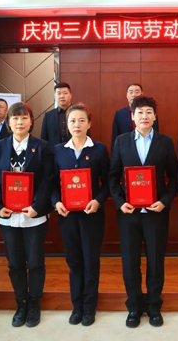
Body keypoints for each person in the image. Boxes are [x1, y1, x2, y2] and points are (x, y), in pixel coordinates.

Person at [108, 95, 178, 328]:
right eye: (140, 112)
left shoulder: (165, 142)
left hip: (156, 213)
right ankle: (134, 307)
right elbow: (112, 176)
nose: (144, 116)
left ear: (155, 116)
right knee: (130, 262)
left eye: (149, 112)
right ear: (132, 116)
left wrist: (165, 201)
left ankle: (154, 306)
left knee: (155, 261)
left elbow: (175, 177)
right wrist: (120, 202)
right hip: (129, 214)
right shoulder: (121, 141)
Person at [0, 102, 54, 328]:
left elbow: (48, 179)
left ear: (31, 121)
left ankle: (34, 303)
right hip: (7, 217)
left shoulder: (42, 146)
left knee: (35, 263)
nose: (20, 122)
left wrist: (37, 206)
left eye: (24, 117)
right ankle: (21, 303)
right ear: (8, 122)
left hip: (34, 216)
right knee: (15, 263)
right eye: (15, 118)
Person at [52, 103, 110, 327]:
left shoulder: (99, 149)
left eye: (81, 120)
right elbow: (51, 183)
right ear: (67, 124)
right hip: (67, 216)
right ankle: (76, 306)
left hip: (91, 215)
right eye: (72, 121)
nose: (77, 125)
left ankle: (89, 307)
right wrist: (56, 202)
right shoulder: (58, 150)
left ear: (89, 124)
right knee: (74, 261)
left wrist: (98, 200)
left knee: (91, 261)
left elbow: (108, 182)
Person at [111, 83, 159, 149]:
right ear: (127, 95)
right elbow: (115, 135)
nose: (133, 95)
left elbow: (156, 133)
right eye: (131, 92)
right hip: (125, 149)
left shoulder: (150, 113)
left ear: (142, 94)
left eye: (137, 92)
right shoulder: (119, 114)